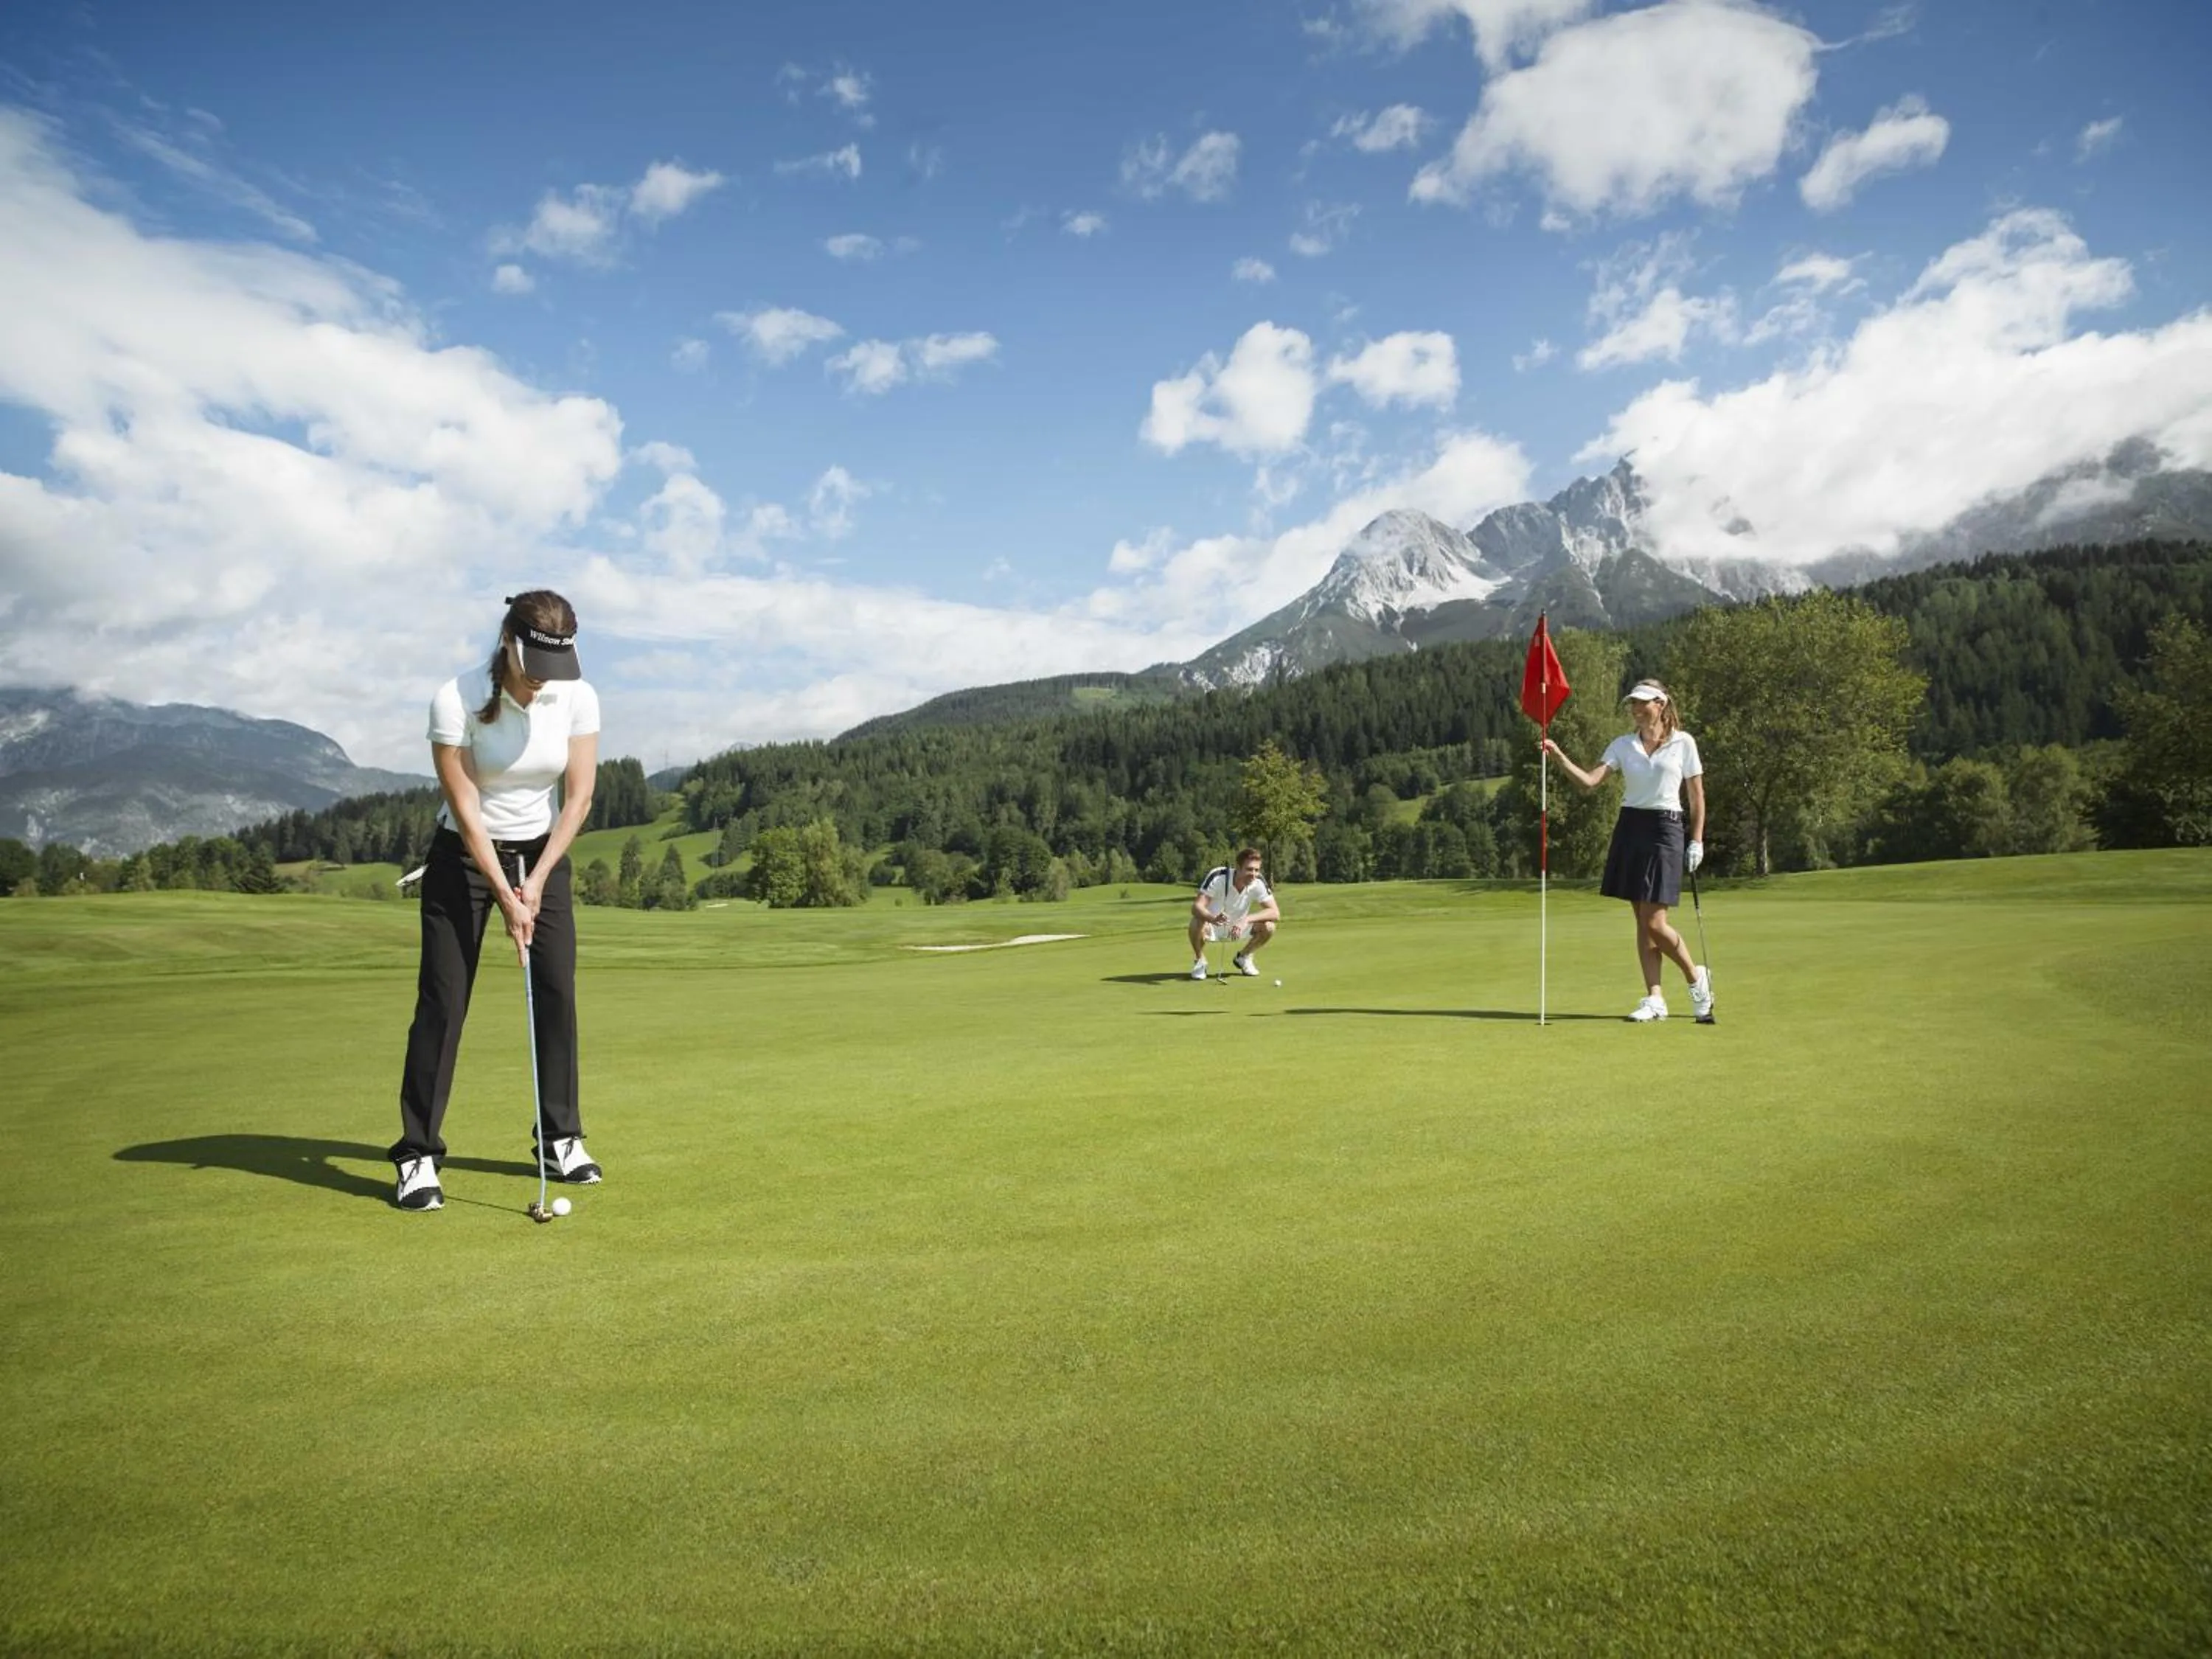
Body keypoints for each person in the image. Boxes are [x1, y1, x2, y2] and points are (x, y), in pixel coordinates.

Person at [390, 591, 602, 1211]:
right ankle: (417, 1155)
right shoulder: (454, 700)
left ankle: (560, 1139)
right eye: (533, 667)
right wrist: (507, 898)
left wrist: (534, 883)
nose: (542, 683)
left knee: (558, 990)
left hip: (543, 853)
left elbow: (580, 798)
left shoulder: (578, 695)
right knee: (444, 1000)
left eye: (553, 670)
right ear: (508, 643)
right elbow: (467, 811)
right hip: (464, 855)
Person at [1540, 680, 1715, 1023]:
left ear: (1661, 705)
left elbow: (1697, 797)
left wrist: (1697, 840)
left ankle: (1697, 980)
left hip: (1666, 828)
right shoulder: (1623, 745)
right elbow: (1590, 782)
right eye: (1633, 704)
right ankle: (1655, 998)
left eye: (1643, 703)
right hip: (1631, 827)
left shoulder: (1684, 743)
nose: (1636, 709)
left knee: (1654, 921)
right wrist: (1558, 756)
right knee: (1642, 920)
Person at [1188, 847, 1281, 980]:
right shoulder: (1218, 876)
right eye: (1249, 869)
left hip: (1239, 927)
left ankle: (1243, 957)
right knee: (1197, 921)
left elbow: (1275, 913)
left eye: (1256, 870)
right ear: (1238, 867)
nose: (1253, 874)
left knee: (1269, 927)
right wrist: (1213, 918)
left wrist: (1246, 920)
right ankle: (1200, 960)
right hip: (1212, 926)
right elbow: (1196, 907)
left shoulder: (1258, 881)